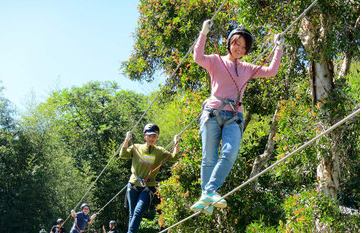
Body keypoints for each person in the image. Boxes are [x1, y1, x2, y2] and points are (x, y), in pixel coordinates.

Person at [191, 19, 283, 214]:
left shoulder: (247, 68)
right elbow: (197, 57)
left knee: (230, 152)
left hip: (234, 116)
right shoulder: (216, 60)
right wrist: (203, 33)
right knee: (209, 158)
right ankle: (206, 197)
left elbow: (272, 71)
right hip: (213, 112)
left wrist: (278, 48)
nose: (239, 48)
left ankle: (208, 192)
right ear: (229, 43)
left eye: (243, 46)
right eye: (236, 43)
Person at [120, 123, 180, 233]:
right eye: (149, 136)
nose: (151, 138)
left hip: (148, 187)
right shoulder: (136, 147)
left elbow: (174, 158)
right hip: (133, 184)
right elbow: (123, 154)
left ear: (157, 137)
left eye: (154, 136)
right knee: (132, 214)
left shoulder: (160, 151)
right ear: (144, 136)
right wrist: (127, 140)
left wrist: (176, 143)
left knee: (138, 211)